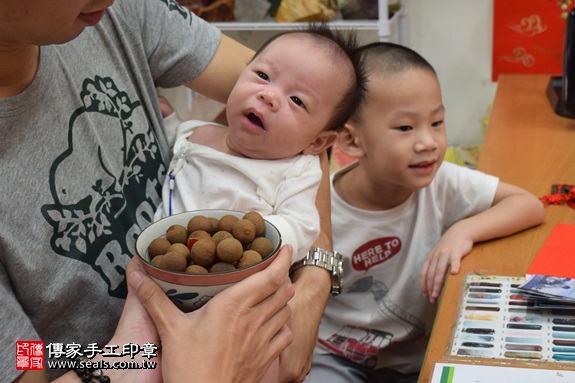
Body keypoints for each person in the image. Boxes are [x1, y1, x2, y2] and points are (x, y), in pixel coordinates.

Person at [0, 0, 335, 381]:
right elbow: (27, 364)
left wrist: (314, 283)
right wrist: (129, 360)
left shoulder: (120, 12)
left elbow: (310, 104)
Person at [306, 42, 546, 383]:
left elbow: (529, 205)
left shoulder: (441, 182)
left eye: (436, 122)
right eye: (405, 128)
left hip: (417, 359)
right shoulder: (318, 208)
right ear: (351, 140)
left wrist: (460, 232)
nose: (429, 142)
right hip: (334, 357)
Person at [155, 24, 365, 263]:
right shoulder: (196, 132)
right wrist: (169, 121)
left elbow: (302, 226)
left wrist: (254, 237)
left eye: (296, 100)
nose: (270, 96)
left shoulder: (296, 171)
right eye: (263, 76)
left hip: (239, 277)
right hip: (166, 263)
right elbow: (173, 151)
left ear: (318, 142)